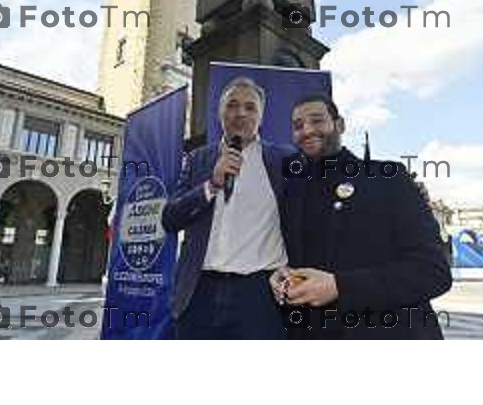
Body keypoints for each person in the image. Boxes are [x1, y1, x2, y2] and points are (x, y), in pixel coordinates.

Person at [270, 95, 453, 339]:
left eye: (317, 120)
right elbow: (296, 261)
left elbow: (433, 272)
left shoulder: (387, 179)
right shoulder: (291, 195)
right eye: (298, 125)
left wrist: (340, 287)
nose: (307, 130)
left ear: (340, 124)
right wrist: (282, 275)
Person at [162, 77, 290, 339]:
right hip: (199, 293)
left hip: (259, 296)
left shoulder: (283, 160)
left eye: (250, 107)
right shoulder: (198, 159)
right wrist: (211, 184)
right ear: (220, 113)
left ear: (261, 117)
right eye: (232, 105)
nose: (240, 113)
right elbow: (170, 218)